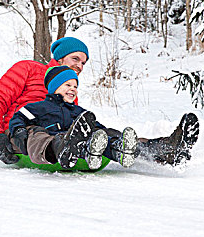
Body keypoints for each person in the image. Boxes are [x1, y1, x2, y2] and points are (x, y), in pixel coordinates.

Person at [0, 36, 199, 166]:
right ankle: (61, 147)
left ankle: (161, 149)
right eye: (75, 59)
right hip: (22, 135)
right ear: (60, 59)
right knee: (38, 135)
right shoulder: (28, 69)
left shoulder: (69, 91)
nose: (80, 66)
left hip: (58, 134)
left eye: (83, 62)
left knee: (104, 133)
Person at [9, 66, 138, 169]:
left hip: (77, 143)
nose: (73, 89)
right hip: (52, 143)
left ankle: (117, 149)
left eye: (75, 86)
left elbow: (96, 127)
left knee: (99, 132)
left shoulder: (78, 111)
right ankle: (66, 151)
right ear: (54, 87)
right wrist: (19, 130)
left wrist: (106, 134)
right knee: (36, 133)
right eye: (68, 85)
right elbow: (18, 117)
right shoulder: (39, 107)